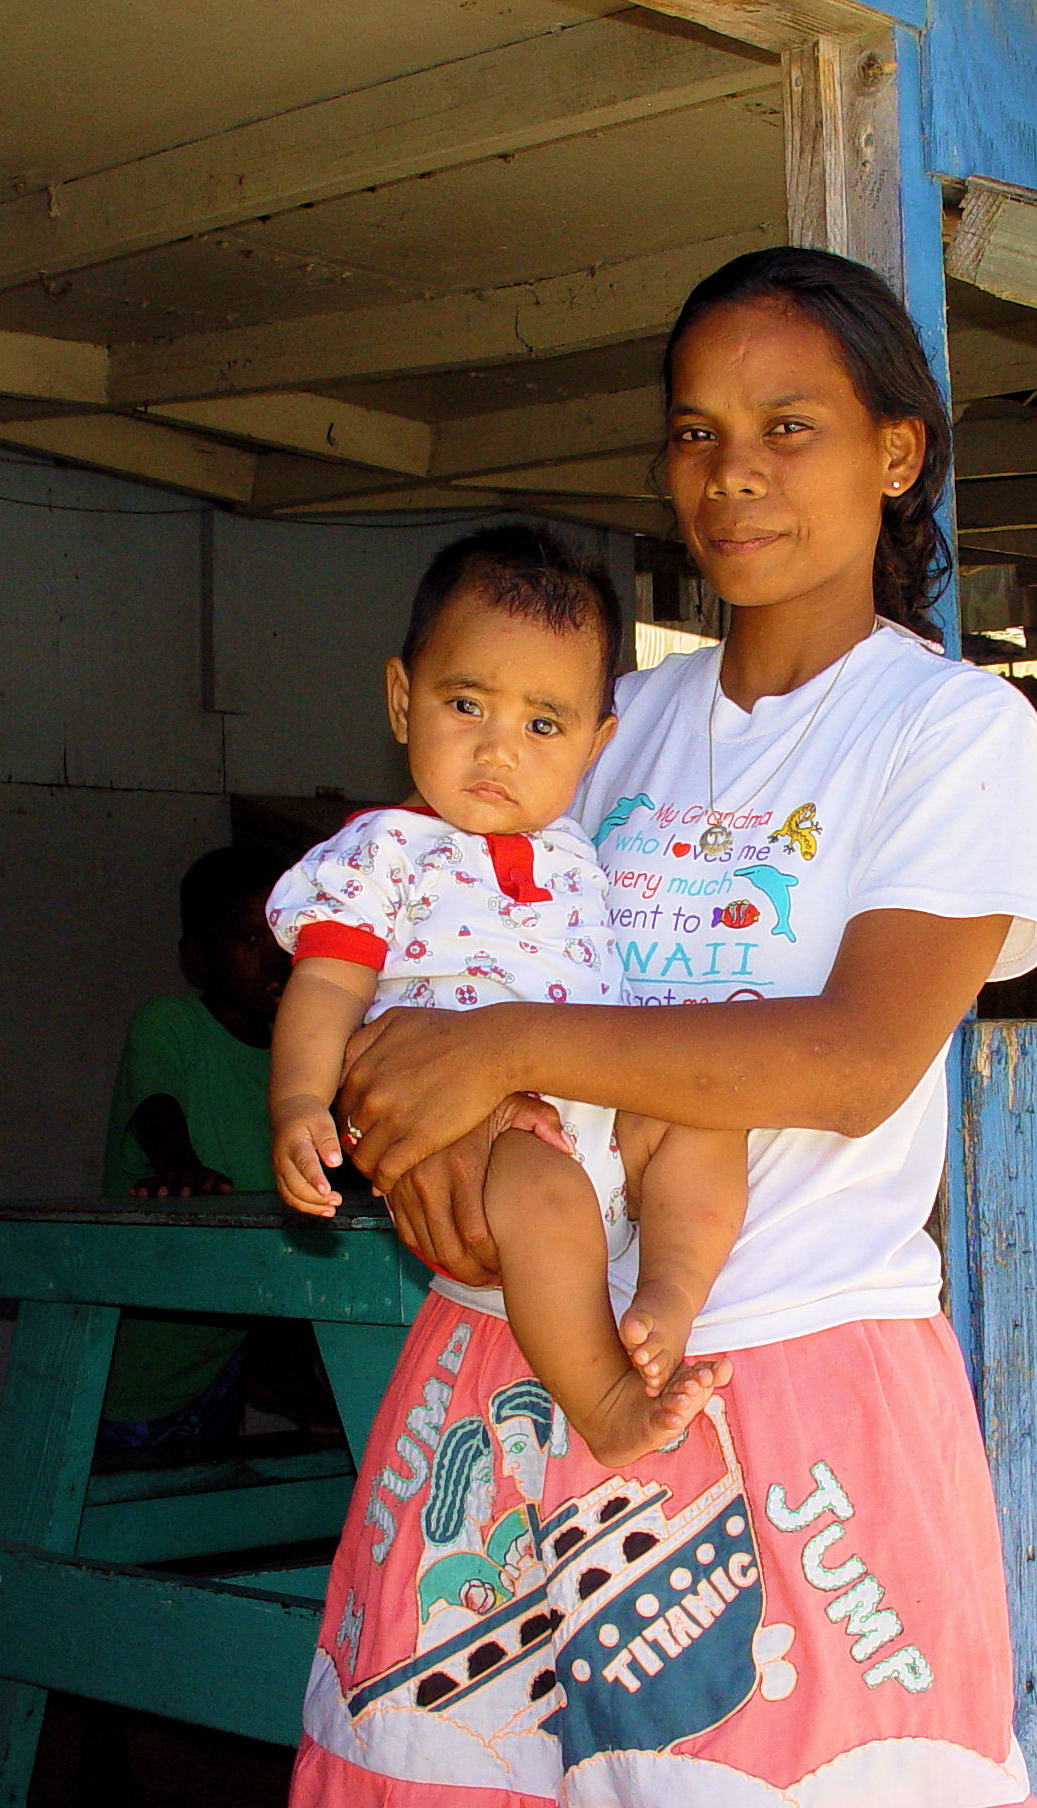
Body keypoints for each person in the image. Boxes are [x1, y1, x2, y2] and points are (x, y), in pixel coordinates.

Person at [287, 248, 1037, 1806]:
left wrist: (507, 1052)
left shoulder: (954, 731)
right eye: (697, 432)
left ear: (896, 456)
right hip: (513, 1365)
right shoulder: (605, 718)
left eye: (791, 428)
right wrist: (406, 1141)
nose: (733, 476)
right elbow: (417, 953)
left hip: (789, 1377)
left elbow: (851, 1061)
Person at [263, 525, 746, 1466]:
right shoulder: (381, 852)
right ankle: (606, 1403)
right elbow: (326, 982)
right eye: (466, 703)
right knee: (536, 1188)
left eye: (542, 724)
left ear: (596, 745)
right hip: (490, 1145)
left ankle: (670, 1296)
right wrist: (297, 1105)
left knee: (707, 1112)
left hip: (601, 1108)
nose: (498, 750)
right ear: (403, 700)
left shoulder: (581, 853)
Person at [94, 842, 296, 1449]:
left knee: (204, 1508)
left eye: (287, 938)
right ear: (198, 958)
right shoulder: (169, 1024)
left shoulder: (299, 1063)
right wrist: (182, 1168)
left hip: (219, 1357)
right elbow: (158, 1108)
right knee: (123, 1523)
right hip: (132, 1367)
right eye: (249, 940)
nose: (276, 960)